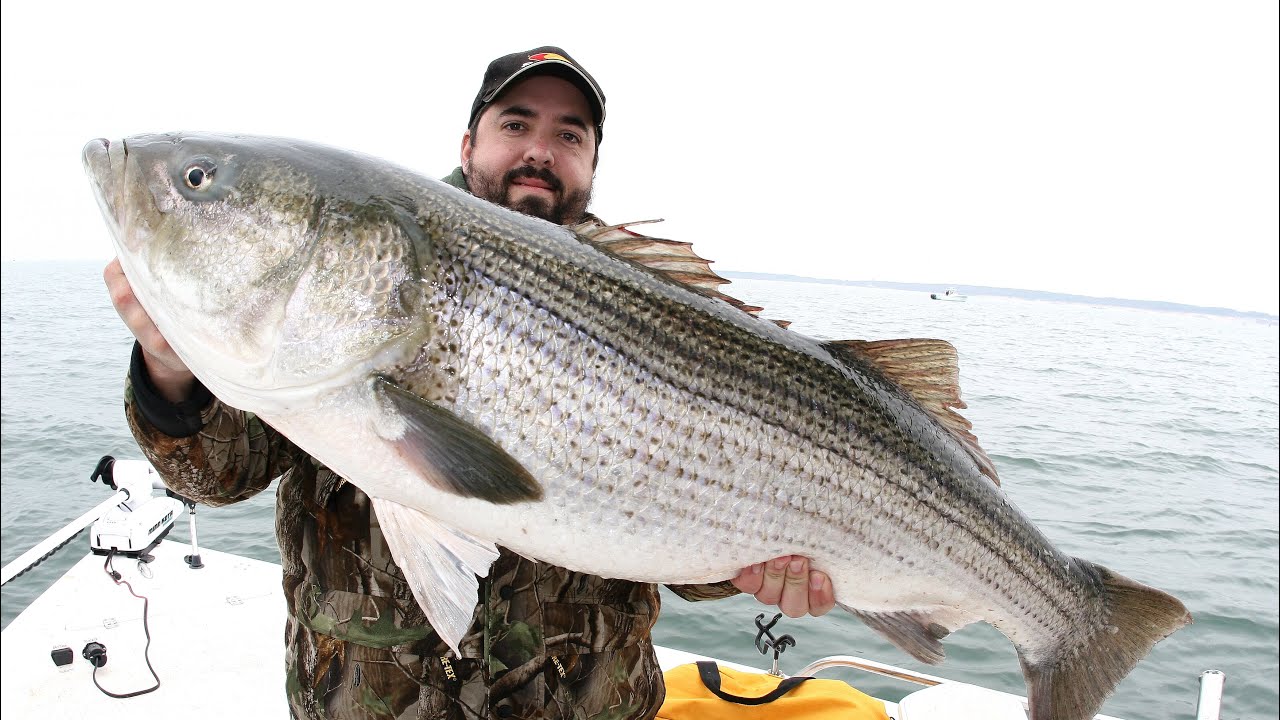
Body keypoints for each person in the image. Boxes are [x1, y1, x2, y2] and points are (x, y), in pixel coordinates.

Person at [104, 46, 834, 720]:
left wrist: (749, 569)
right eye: (516, 123)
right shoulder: (330, 312)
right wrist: (170, 371)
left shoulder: (663, 310)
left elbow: (686, 540)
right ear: (468, 146)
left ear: (589, 165)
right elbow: (221, 476)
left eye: (570, 135)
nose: (541, 150)